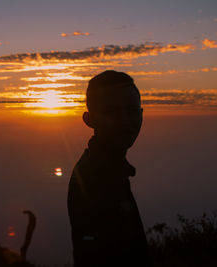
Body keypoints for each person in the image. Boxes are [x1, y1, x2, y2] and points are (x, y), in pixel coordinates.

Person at [67, 70, 150, 266]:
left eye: (132, 110)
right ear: (89, 120)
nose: (125, 121)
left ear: (141, 114)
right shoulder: (92, 179)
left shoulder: (110, 170)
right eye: (111, 112)